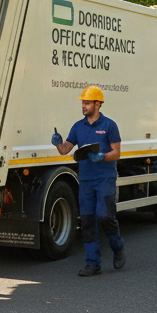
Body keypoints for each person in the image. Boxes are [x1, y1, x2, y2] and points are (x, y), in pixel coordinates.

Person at [51, 85, 125, 276]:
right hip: (85, 180)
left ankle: (118, 247)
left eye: (87, 103)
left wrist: (102, 156)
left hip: (105, 178)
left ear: (98, 104)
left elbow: (116, 153)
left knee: (105, 216)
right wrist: (58, 143)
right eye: (82, 103)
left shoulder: (109, 125)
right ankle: (93, 263)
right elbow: (65, 150)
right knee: (87, 220)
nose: (83, 106)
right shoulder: (78, 126)